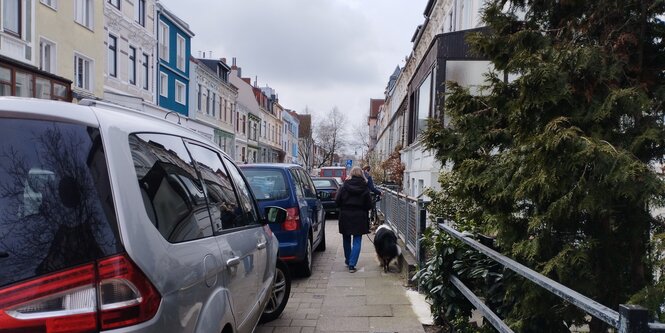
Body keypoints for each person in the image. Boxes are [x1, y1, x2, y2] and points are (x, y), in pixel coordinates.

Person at [335, 166, 372, 273]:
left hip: (345, 215)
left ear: (351, 174)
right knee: (357, 240)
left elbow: (337, 201)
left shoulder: (344, 186)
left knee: (346, 239)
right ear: (362, 174)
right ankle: (352, 264)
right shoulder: (364, 187)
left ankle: (348, 259)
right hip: (359, 216)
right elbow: (369, 204)